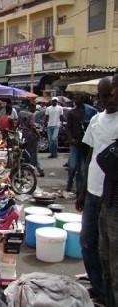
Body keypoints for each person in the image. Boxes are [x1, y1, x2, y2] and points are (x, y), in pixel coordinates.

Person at [76, 76, 118, 305]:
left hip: (112, 196)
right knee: (87, 243)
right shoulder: (96, 120)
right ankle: (99, 287)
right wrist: (82, 191)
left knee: (111, 253)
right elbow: (91, 156)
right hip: (93, 191)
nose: (108, 100)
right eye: (103, 96)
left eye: (110, 94)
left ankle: (109, 292)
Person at [98, 74, 118, 307]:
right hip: (107, 197)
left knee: (115, 264)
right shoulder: (98, 119)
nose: (112, 95)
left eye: (114, 88)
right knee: (106, 256)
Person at [65, 93, 97, 195]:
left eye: (77, 98)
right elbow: (68, 128)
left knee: (83, 169)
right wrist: (71, 139)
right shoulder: (72, 113)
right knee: (73, 166)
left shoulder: (90, 111)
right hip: (75, 143)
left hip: (85, 144)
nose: (75, 100)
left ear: (82, 99)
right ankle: (70, 182)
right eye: (74, 98)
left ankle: (79, 191)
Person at [18, 102, 45, 177]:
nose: (35, 110)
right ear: (31, 107)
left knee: (28, 153)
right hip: (32, 136)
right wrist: (38, 134)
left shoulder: (21, 113)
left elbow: (17, 123)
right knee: (34, 154)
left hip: (24, 136)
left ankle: (39, 169)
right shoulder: (31, 115)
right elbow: (32, 126)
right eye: (34, 108)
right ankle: (32, 169)